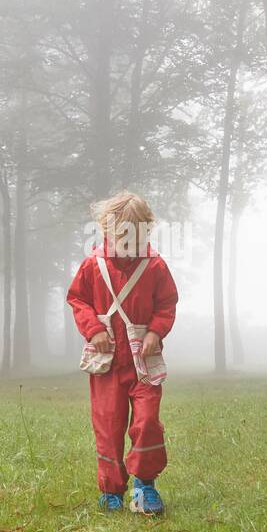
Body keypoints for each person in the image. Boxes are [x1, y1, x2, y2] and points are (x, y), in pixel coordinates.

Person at [67, 192, 178, 514]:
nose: (128, 242)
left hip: (144, 359)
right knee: (108, 423)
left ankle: (145, 485)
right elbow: (78, 299)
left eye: (136, 234)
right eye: (121, 234)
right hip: (108, 362)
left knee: (147, 422)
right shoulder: (93, 265)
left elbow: (166, 303)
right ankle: (111, 490)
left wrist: (156, 331)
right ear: (106, 229)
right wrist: (95, 330)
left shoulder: (155, 266)